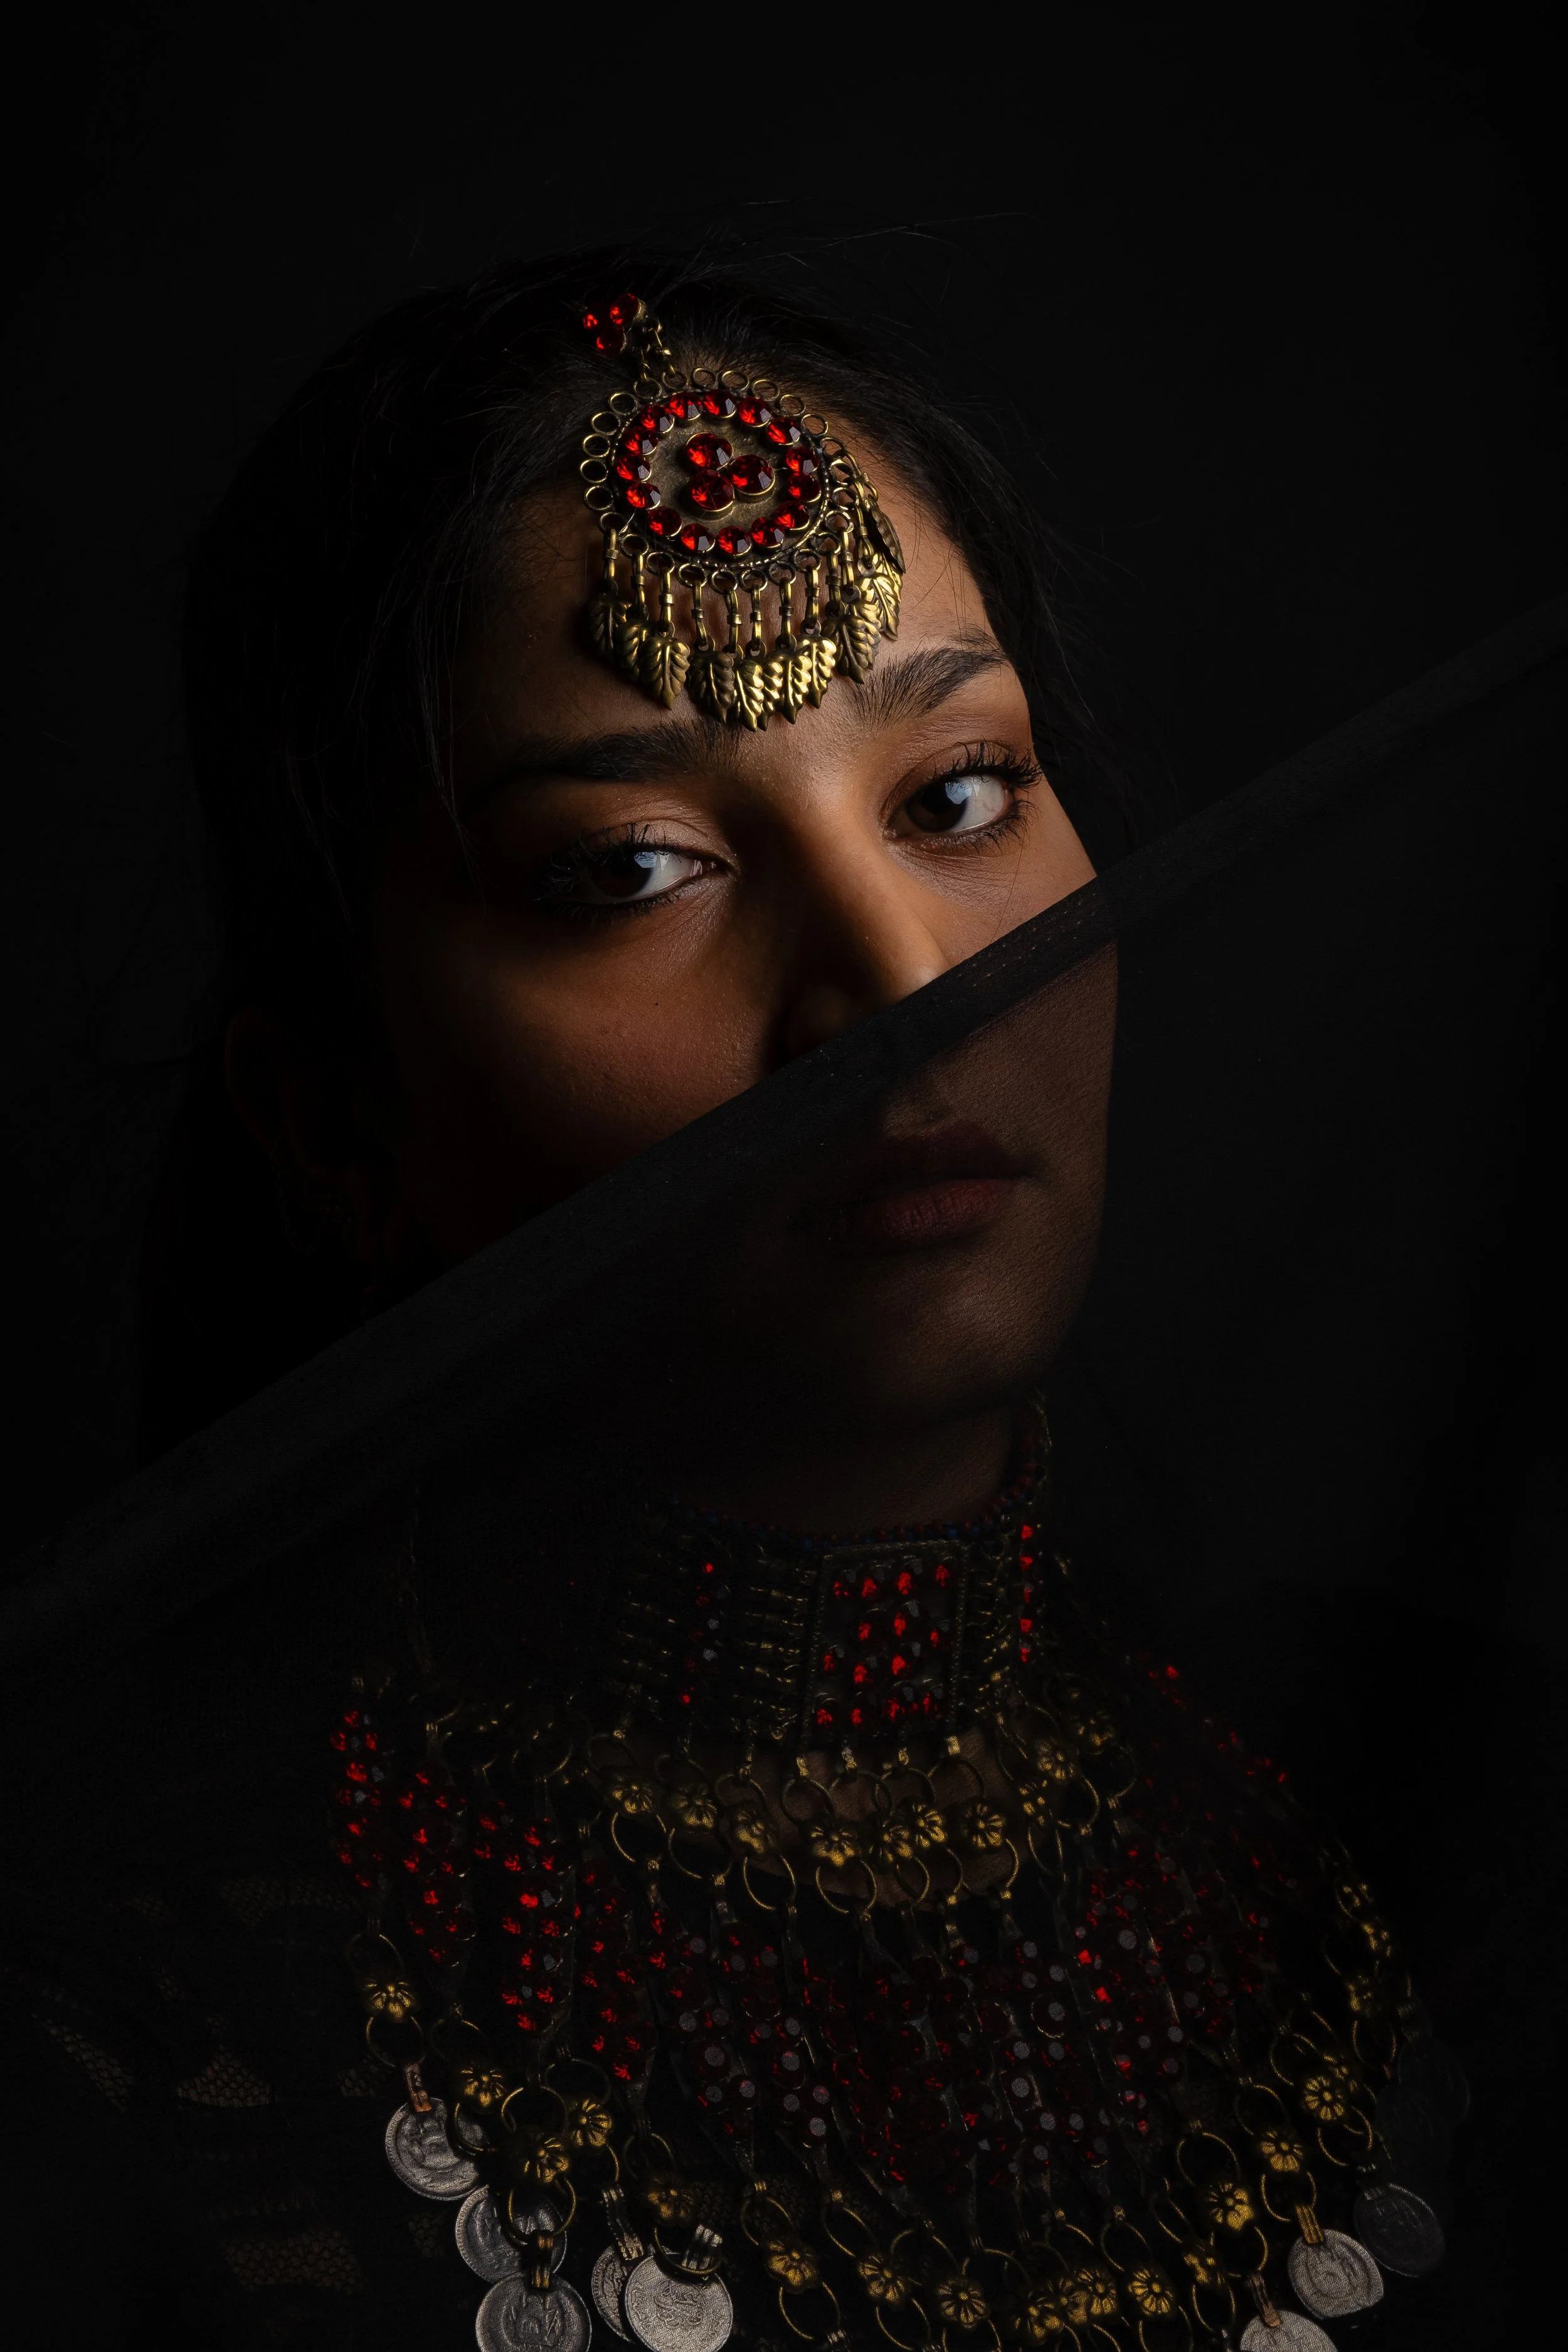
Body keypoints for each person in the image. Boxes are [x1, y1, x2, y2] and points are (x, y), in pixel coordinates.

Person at [1, 252, 1524, 2352]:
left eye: (955, 795)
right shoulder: (123, 2049)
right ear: (337, 1118)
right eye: (633, 866)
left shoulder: (1445, 1837)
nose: (902, 986)